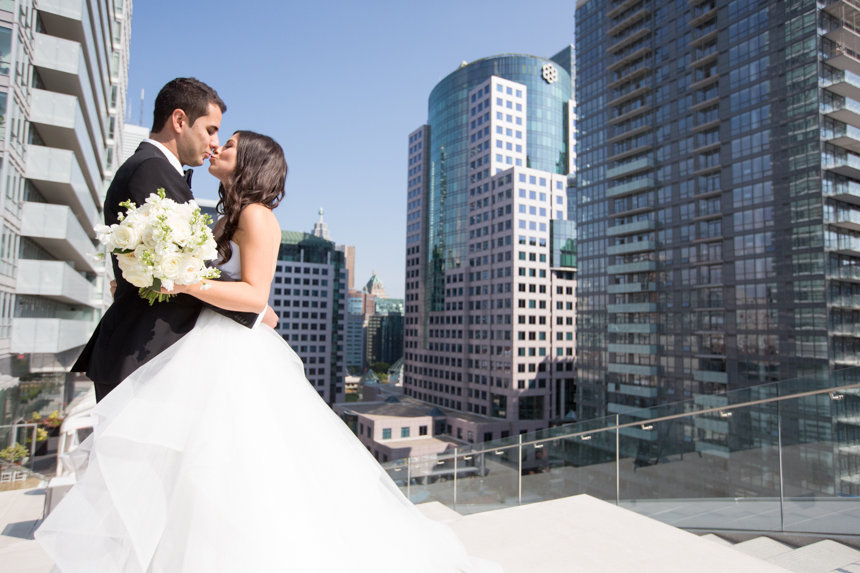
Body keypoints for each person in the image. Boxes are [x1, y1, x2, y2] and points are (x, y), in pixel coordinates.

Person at [36, 131, 501, 573]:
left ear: (252, 162)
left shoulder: (257, 215)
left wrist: (184, 281)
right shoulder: (225, 218)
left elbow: (256, 296)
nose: (219, 145)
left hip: (231, 353)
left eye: (232, 143)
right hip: (206, 345)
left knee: (234, 465)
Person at [72, 78, 277, 403]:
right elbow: (178, 263)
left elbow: (176, 262)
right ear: (180, 121)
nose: (215, 142)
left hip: (165, 349)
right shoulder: (152, 171)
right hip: (146, 348)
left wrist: (253, 301)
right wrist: (256, 309)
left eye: (224, 140)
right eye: (211, 130)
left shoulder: (156, 171)